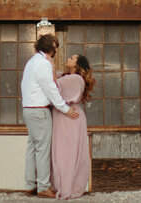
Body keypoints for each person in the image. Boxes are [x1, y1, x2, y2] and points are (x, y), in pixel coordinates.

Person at [21, 33, 79, 198]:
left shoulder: (33, 61)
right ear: (52, 48)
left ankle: (30, 184)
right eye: (56, 46)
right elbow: (51, 89)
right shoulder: (44, 63)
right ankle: (43, 187)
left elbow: (43, 82)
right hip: (40, 110)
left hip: (29, 109)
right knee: (43, 149)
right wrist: (65, 109)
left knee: (32, 147)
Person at [51, 54, 94, 200]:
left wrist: (48, 65)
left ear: (77, 65)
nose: (68, 58)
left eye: (72, 58)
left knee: (66, 153)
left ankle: (66, 187)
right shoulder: (68, 76)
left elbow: (53, 86)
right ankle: (63, 185)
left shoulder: (75, 79)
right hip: (66, 115)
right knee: (64, 151)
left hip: (69, 117)